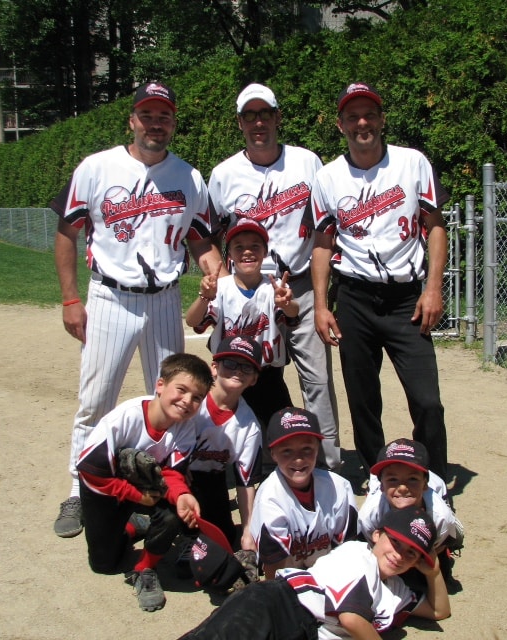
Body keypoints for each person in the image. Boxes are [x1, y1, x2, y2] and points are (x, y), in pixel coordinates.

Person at [50, 81, 226, 538]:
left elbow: (202, 240)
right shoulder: (96, 168)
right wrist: (71, 298)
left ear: (172, 123)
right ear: (132, 119)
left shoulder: (188, 177)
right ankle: (77, 489)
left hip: (165, 300)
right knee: (96, 400)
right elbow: (67, 233)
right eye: (147, 115)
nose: (156, 123)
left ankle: (163, 489)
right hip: (111, 297)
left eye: (164, 116)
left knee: (173, 400)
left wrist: (214, 271)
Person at [311, 81, 450, 486]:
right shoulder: (328, 177)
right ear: (340, 125)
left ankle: (435, 482)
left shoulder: (412, 163)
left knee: (428, 402)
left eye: (369, 114)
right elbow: (322, 242)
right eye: (352, 116)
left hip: (407, 296)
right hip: (354, 296)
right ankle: (377, 477)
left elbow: (435, 227)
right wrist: (321, 304)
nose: (362, 122)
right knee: (363, 400)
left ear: (382, 119)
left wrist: (433, 288)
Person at [208, 83, 341, 471]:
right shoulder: (224, 174)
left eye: (265, 113)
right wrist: (222, 282)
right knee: (250, 380)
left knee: (317, 382)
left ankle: (327, 466)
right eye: (249, 115)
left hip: (297, 283)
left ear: (278, 117)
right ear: (239, 123)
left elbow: (322, 228)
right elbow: (209, 234)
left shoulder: (306, 162)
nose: (258, 122)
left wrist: (320, 297)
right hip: (250, 293)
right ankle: (253, 462)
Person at [176, 506, 451, 639]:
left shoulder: (395, 591)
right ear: (377, 536)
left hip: (303, 630)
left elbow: (439, 611)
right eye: (395, 543)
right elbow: (352, 618)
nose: (399, 555)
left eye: (411, 553)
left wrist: (434, 571)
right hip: (278, 605)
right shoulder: (358, 554)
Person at [76, 353, 213, 612]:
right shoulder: (125, 419)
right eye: (181, 390)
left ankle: (145, 568)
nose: (187, 401)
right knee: (104, 564)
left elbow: (172, 474)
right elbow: (91, 473)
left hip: (146, 486)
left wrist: (182, 495)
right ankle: (131, 526)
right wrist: (136, 497)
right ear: (160, 385)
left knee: (175, 514)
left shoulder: (185, 428)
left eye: (197, 398)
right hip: (105, 487)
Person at [186, 217, 298, 445]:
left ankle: (276, 467)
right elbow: (192, 321)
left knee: (284, 430)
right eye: (239, 247)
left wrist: (287, 302)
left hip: (267, 374)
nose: (247, 252)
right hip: (228, 374)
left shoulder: (274, 287)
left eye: (255, 246)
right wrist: (204, 296)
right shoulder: (221, 287)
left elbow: (293, 314)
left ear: (265, 252)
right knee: (217, 427)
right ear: (230, 254)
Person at [249, 406, 357, 580]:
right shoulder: (269, 499)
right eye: (287, 451)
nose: (298, 459)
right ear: (273, 454)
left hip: (330, 574)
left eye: (307, 449)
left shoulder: (338, 487)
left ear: (317, 448)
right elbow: (275, 571)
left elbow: (347, 549)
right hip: (288, 578)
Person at [188, 335, 263, 552]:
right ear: (214, 367)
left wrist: (248, 530)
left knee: (225, 539)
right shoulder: (192, 400)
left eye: (246, 368)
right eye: (229, 364)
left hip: (211, 481)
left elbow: (245, 483)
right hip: (173, 474)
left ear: (254, 379)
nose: (238, 371)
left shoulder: (249, 426)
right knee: (172, 522)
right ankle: (140, 521)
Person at [358, 438, 464, 588]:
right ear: (381, 485)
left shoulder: (439, 516)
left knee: (433, 578)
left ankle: (454, 537)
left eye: (412, 479)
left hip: (435, 525)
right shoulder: (370, 513)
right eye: (393, 479)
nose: (402, 487)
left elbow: (433, 549)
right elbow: (375, 549)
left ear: (425, 483)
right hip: (381, 523)